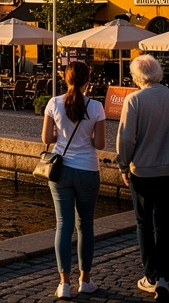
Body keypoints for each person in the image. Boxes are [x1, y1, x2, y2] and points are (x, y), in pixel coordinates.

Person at [117, 54, 169, 302]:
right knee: (165, 225)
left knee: (144, 224)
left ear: (136, 77)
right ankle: (164, 278)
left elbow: (126, 139)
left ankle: (151, 277)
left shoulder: (133, 100)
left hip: (143, 171)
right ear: (158, 73)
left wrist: (123, 166)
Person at [41, 61, 106, 299]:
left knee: (63, 226)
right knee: (85, 226)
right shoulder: (97, 106)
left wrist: (62, 132)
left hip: (61, 170)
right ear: (88, 80)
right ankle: (85, 280)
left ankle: (64, 284)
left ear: (65, 78)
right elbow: (100, 144)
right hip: (88, 169)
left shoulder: (54, 103)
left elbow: (47, 138)